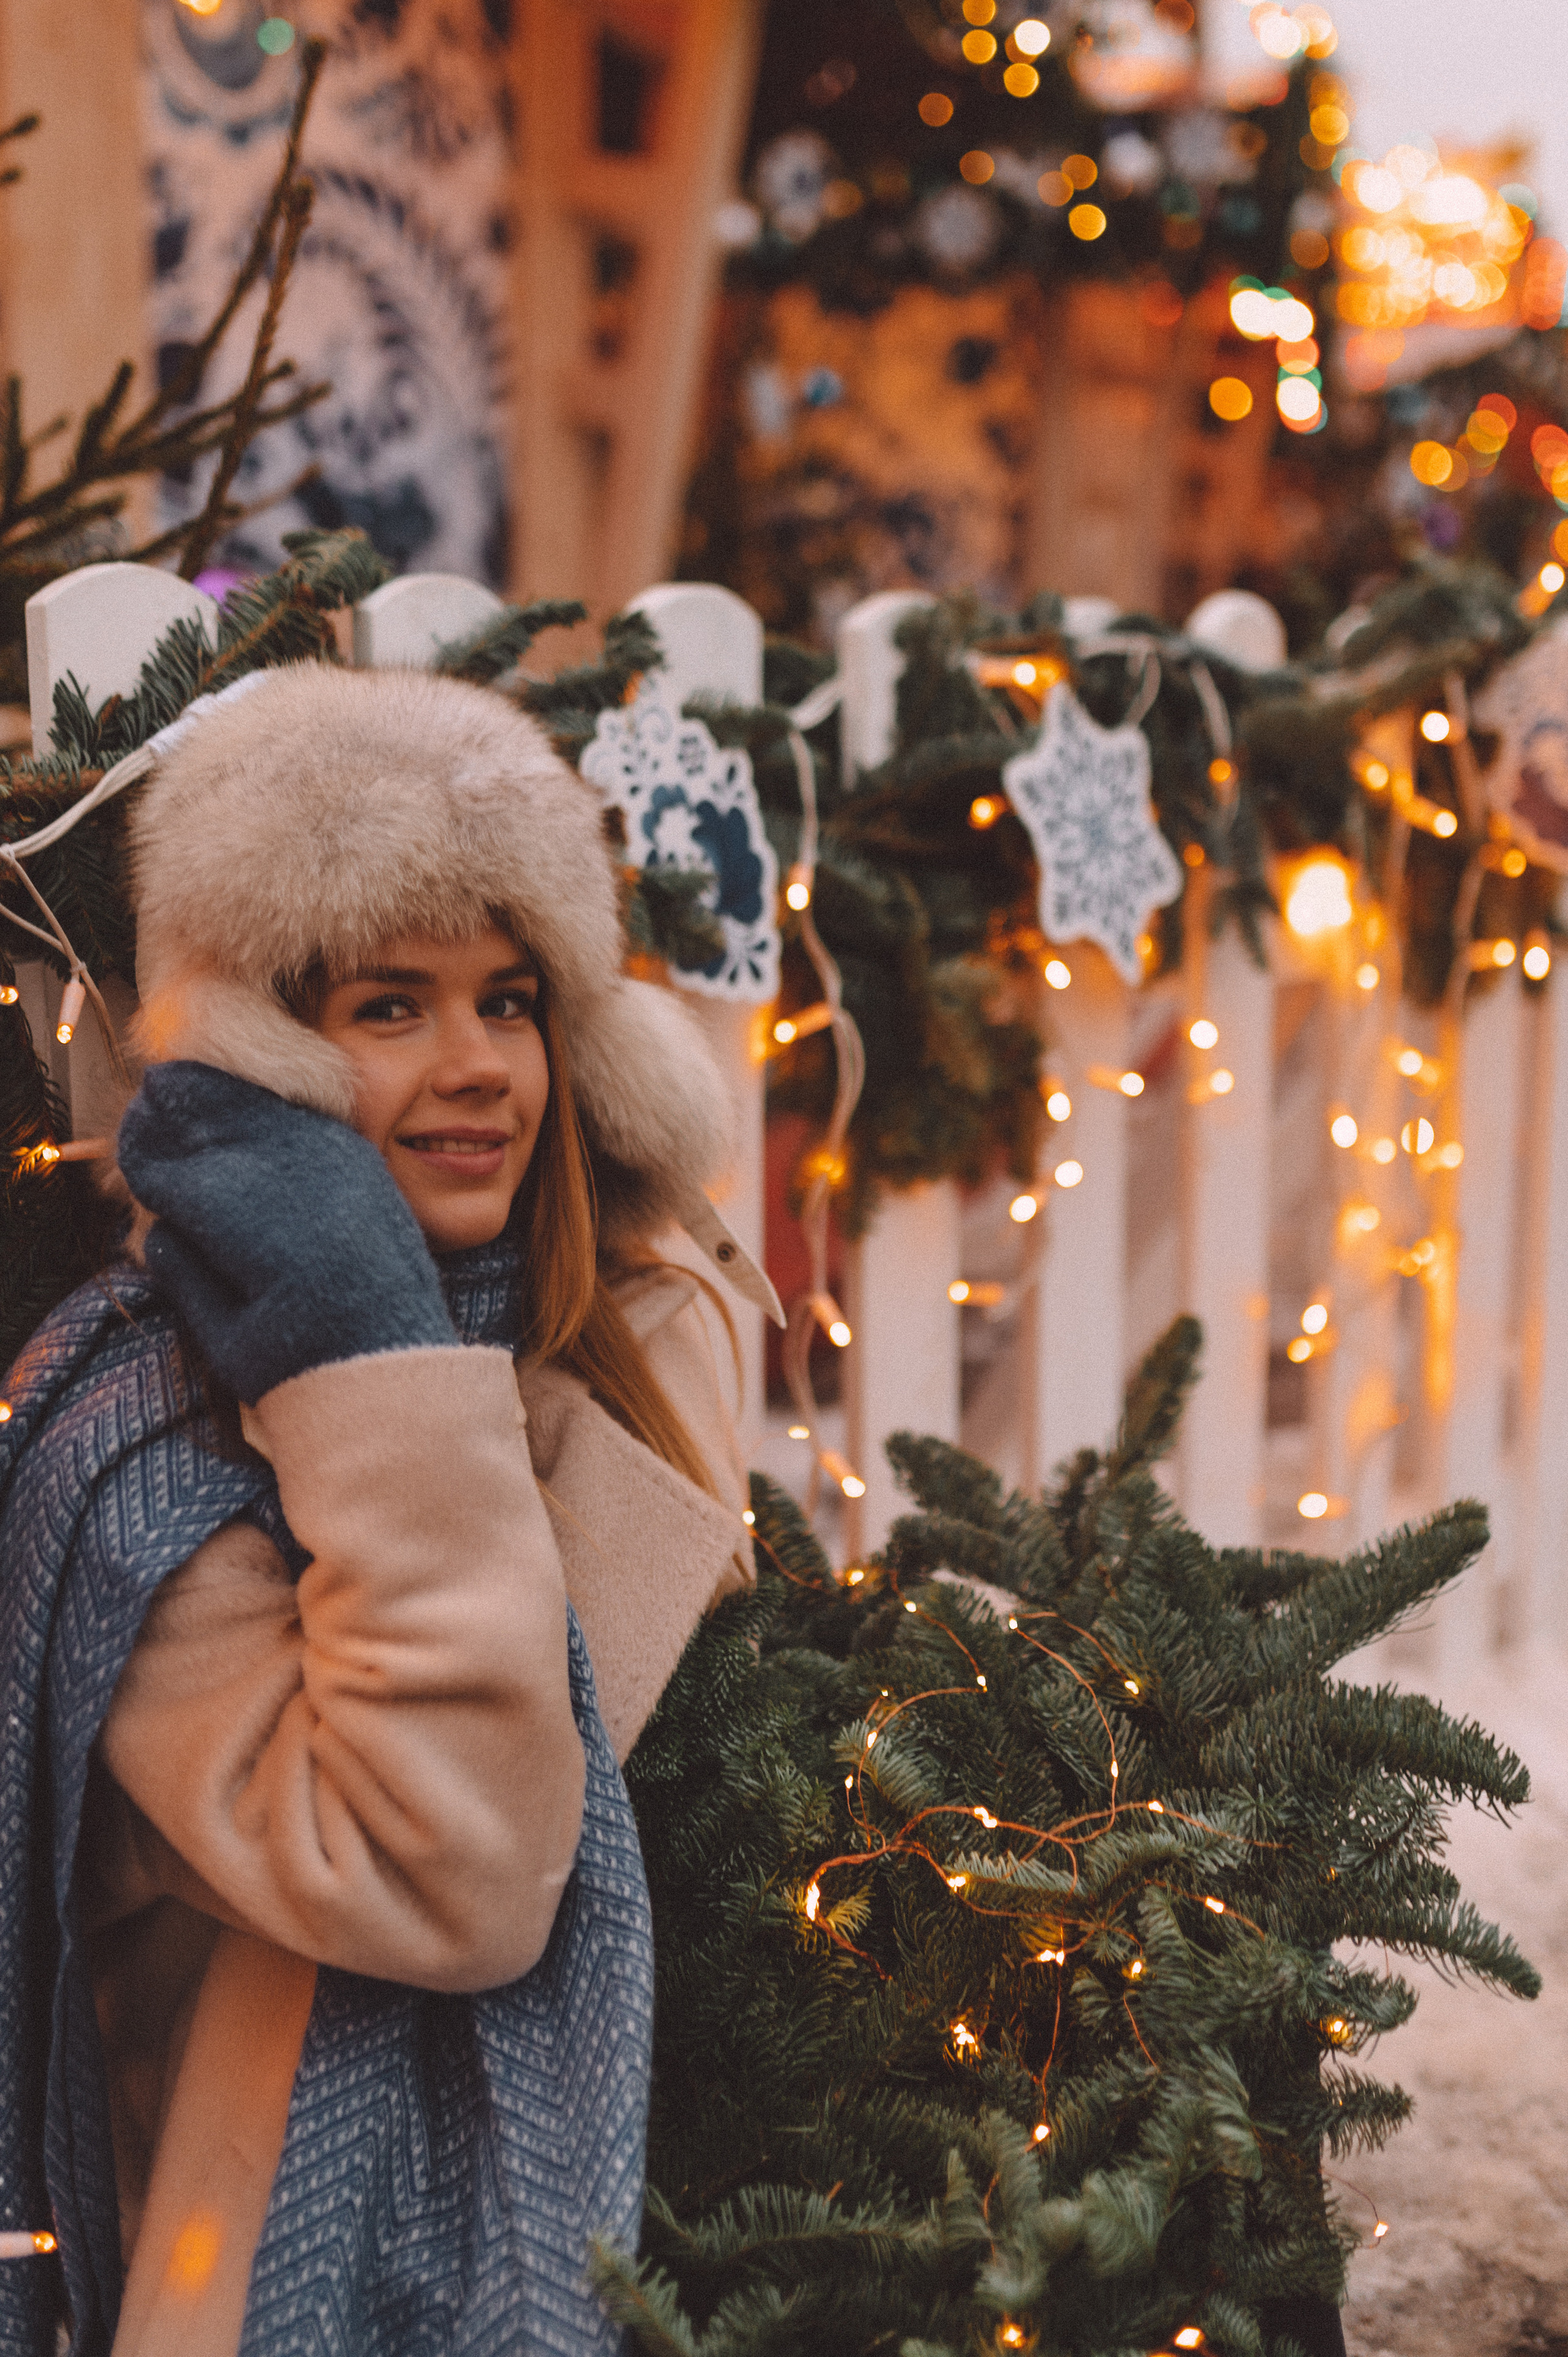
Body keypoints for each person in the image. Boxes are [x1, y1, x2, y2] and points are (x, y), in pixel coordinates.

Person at [0, 662, 763, 2357]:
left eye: (510, 1001)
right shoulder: (149, 1475)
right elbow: (457, 1878)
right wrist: (363, 1360)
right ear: (257, 1062)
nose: (478, 1066)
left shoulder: (590, 1352)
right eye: (392, 1007)